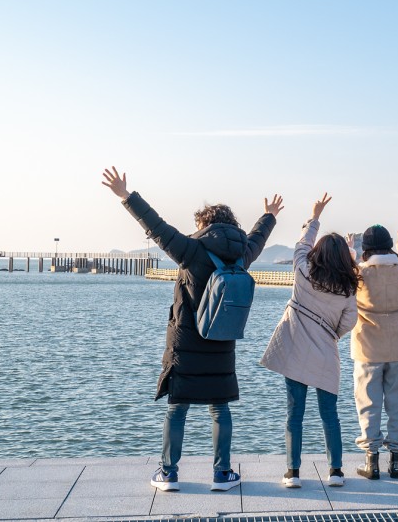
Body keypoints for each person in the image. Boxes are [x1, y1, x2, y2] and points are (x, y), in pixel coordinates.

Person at [101, 166, 282, 493]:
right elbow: (258, 237)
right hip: (223, 341)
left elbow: (156, 227)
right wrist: (269, 215)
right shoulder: (242, 254)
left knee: (177, 406)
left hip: (185, 341)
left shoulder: (190, 249)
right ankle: (222, 474)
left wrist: (127, 196)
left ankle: (168, 474)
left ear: (204, 224)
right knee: (220, 406)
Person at [260, 193, 359, 489]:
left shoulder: (303, 272)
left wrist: (314, 217)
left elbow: (301, 245)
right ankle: (336, 471)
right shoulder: (347, 287)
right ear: (343, 257)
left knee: (294, 415)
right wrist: (332, 334)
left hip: (294, 350)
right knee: (330, 414)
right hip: (326, 352)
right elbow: (350, 321)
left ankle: (292, 473)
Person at [346, 225, 398, 480]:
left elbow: (347, 278)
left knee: (368, 405)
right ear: (389, 246)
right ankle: (396, 461)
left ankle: (371, 461)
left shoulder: (359, 274)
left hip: (367, 348)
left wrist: (351, 252)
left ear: (365, 250)